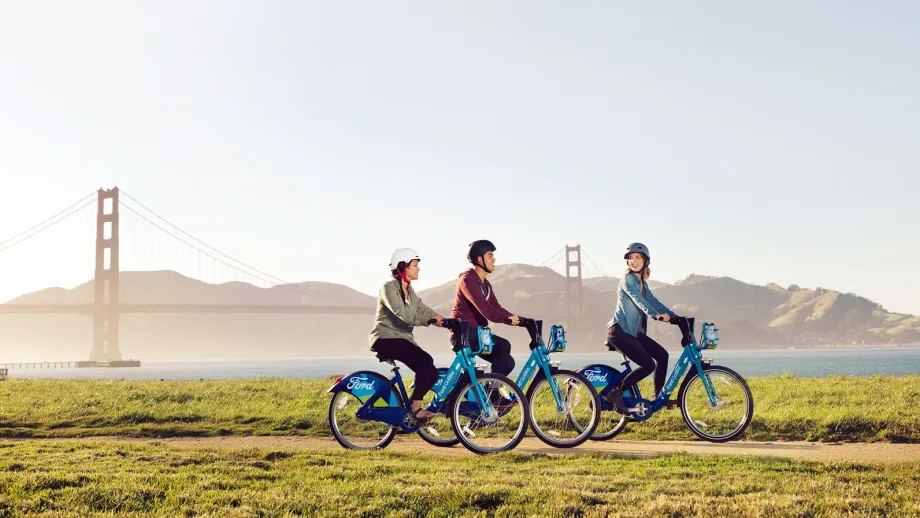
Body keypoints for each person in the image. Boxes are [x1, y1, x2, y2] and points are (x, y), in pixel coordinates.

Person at [368, 248, 444, 420]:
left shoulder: (410, 291)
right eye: (415, 265)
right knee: (425, 361)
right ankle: (415, 409)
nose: (419, 269)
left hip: (401, 339)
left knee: (432, 373)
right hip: (385, 338)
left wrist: (442, 320)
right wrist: (428, 321)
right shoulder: (388, 288)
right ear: (402, 267)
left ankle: (408, 413)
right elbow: (401, 312)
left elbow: (422, 310)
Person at [603, 242, 679, 414]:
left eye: (638, 257)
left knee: (663, 356)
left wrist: (675, 317)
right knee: (648, 365)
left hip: (633, 333)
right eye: (631, 258)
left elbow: (653, 301)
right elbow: (639, 301)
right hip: (619, 332)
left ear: (646, 261)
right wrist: (655, 315)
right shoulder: (627, 280)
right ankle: (616, 393)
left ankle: (660, 397)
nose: (634, 261)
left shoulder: (642, 283)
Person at [450, 239, 522, 381]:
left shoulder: (485, 284)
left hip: (478, 334)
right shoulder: (467, 280)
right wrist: (506, 319)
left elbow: (496, 307)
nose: (494, 259)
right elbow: (485, 309)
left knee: (508, 362)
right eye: (490, 255)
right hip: (464, 334)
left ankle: (485, 394)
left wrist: (518, 319)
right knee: (503, 346)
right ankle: (493, 394)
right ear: (479, 259)